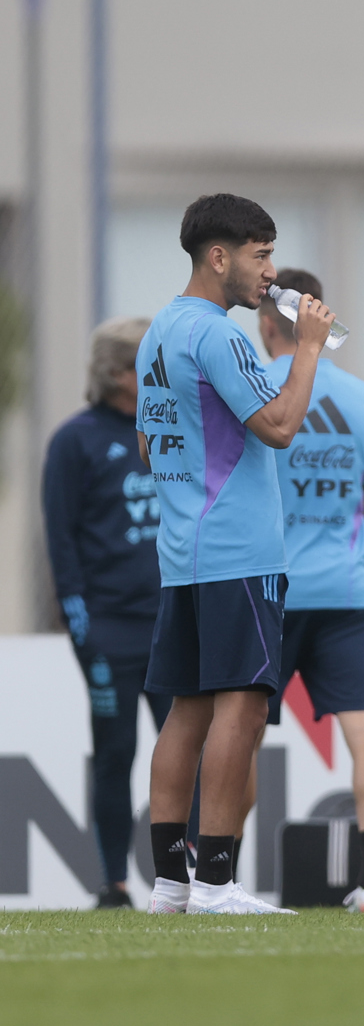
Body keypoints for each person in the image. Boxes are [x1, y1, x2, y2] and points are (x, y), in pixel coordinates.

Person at [136, 193, 336, 915]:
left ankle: (168, 885)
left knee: (185, 712)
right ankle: (216, 884)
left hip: (183, 548)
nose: (271, 272)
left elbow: (147, 442)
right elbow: (280, 425)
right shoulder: (220, 338)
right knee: (243, 708)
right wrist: (308, 345)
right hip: (238, 550)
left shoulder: (158, 329)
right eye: (260, 254)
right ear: (218, 257)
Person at [255, 268, 364, 914]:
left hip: (269, 591)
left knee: (238, 738)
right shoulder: (363, 396)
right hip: (347, 590)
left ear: (266, 323)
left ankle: (212, 878)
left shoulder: (256, 389)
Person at [43, 317, 166, 908]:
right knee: (116, 756)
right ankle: (114, 885)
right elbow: (60, 543)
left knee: (184, 754)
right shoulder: (75, 441)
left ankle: (191, 882)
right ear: (120, 374)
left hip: (174, 626)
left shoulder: (171, 430)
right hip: (109, 633)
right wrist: (80, 630)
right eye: (150, 364)